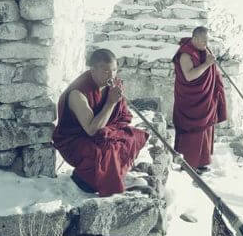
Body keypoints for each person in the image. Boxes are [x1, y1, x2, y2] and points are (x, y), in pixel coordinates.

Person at [52, 49, 149, 196]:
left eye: (115, 70)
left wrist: (111, 124)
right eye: (106, 71)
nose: (112, 76)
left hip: (102, 131)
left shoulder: (112, 84)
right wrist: (110, 103)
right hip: (76, 140)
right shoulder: (77, 94)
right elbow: (91, 130)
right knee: (107, 151)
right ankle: (92, 182)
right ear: (93, 69)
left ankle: (114, 174)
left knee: (134, 136)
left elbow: (123, 116)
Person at [172, 26, 228, 174]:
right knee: (192, 133)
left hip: (204, 98)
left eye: (207, 41)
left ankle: (202, 162)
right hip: (190, 101)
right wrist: (207, 64)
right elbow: (189, 76)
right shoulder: (185, 54)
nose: (206, 44)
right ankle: (188, 163)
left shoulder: (203, 50)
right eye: (203, 41)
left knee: (205, 129)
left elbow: (210, 69)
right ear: (195, 39)